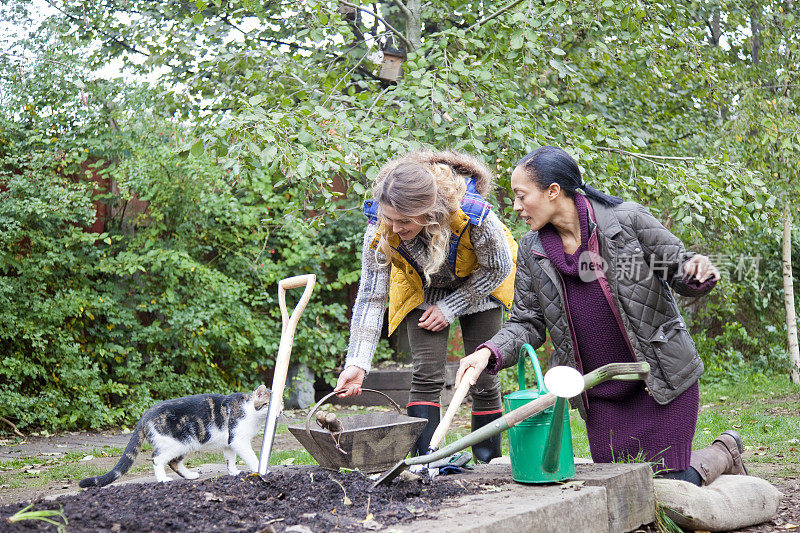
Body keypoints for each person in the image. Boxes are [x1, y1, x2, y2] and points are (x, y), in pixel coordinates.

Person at [455, 146, 747, 486]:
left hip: (659, 379)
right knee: (622, 488)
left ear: (553, 191)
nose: (516, 207)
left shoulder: (627, 220)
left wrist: (698, 271)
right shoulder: (533, 250)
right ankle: (725, 451)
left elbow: (678, 264)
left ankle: (724, 452)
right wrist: (488, 352)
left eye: (522, 196)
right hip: (600, 393)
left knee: (671, 484)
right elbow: (527, 321)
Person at [336, 150, 518, 462]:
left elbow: (498, 269)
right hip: (422, 286)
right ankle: (427, 463)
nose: (394, 229)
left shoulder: (475, 217)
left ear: (429, 213)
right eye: (388, 219)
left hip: (481, 281)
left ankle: (489, 462)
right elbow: (370, 296)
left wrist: (451, 307)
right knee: (425, 375)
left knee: (484, 376)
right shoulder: (380, 225)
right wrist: (357, 362)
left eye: (404, 221)